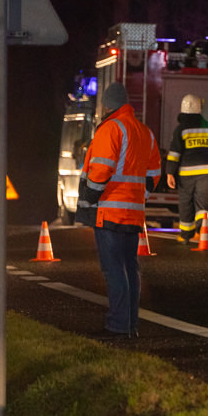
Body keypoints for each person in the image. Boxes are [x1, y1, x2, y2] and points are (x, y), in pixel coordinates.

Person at [76, 82, 161, 339]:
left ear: (108, 105)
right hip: (133, 214)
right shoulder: (145, 132)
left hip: (110, 212)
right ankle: (130, 324)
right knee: (129, 268)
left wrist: (90, 196)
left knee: (113, 269)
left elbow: (101, 169)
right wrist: (139, 196)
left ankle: (118, 325)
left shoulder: (111, 129)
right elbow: (154, 173)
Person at [166, 94, 208, 243]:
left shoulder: (180, 129)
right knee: (203, 203)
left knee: (186, 203)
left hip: (186, 174)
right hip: (205, 173)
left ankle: (186, 235)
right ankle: (202, 232)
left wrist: (169, 173)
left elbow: (175, 153)